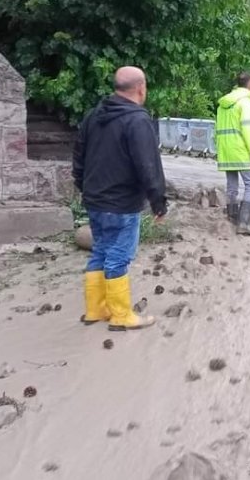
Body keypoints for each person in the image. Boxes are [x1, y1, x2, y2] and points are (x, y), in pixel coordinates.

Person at [72, 66, 166, 331]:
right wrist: (158, 201)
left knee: (100, 251)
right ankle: (121, 315)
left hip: (94, 200)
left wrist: (84, 187)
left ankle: (95, 310)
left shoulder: (93, 117)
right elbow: (148, 165)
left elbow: (78, 157)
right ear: (141, 88)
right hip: (122, 204)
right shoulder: (137, 120)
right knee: (119, 257)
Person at [216, 72, 250, 236]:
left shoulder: (223, 104)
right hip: (241, 151)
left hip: (226, 152)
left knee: (232, 185)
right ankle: (244, 223)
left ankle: (232, 217)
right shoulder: (246, 103)